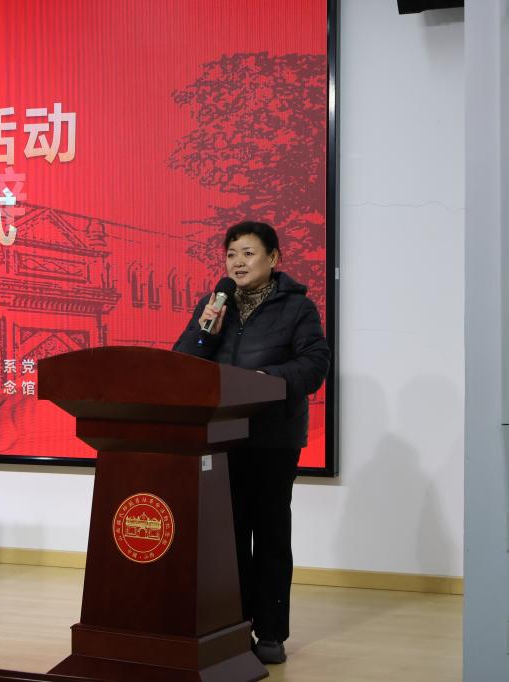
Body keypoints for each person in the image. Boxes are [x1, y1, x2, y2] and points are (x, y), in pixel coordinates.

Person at [173, 221, 330, 665]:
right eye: (231, 255)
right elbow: (182, 363)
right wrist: (205, 330)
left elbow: (315, 364)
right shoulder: (214, 303)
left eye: (248, 253)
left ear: (273, 258)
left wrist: (266, 379)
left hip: (273, 439)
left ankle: (272, 631)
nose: (237, 263)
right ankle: (235, 626)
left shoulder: (297, 307)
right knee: (230, 537)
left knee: (271, 535)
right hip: (223, 436)